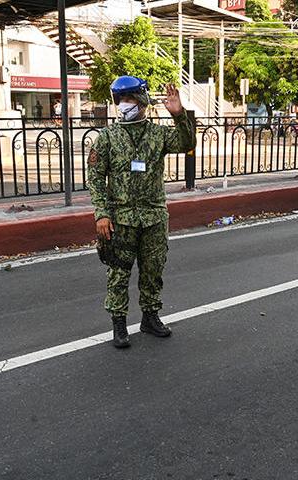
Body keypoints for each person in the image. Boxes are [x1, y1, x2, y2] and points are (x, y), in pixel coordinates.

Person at [88, 76, 196, 348]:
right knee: (119, 273)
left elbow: (186, 143)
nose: (125, 105)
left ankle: (150, 317)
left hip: (154, 217)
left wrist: (179, 115)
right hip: (120, 219)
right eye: (122, 100)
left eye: (131, 99)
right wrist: (101, 213)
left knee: (152, 270)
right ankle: (119, 324)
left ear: (143, 101)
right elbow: (96, 177)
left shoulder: (158, 134)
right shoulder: (107, 137)